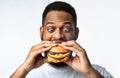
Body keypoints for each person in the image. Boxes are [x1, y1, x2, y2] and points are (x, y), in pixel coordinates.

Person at [10, 1, 114, 78]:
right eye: (51, 29)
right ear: (41, 33)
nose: (58, 36)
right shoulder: (23, 73)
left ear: (76, 33)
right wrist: (24, 69)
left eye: (66, 29)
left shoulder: (97, 72)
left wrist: (89, 72)